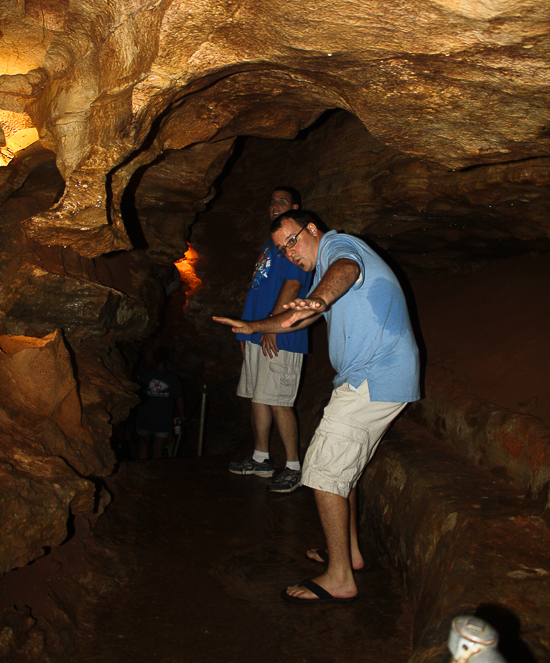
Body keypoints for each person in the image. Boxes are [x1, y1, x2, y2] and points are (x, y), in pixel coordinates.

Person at [213, 209, 420, 603]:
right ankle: (350, 553)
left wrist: (320, 297)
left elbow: (346, 268)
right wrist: (254, 327)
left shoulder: (339, 248)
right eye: (281, 250)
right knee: (345, 470)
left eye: (292, 241)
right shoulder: (325, 271)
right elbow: (296, 320)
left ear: (311, 229)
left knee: (324, 471)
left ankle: (340, 577)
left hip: (374, 377)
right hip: (373, 377)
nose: (289, 253)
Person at [229, 187, 313, 493]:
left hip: (282, 335)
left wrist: (270, 327)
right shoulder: (270, 244)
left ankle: (293, 466)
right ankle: (261, 457)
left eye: (281, 202)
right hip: (258, 333)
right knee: (258, 397)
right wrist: (246, 329)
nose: (274, 206)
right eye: (271, 202)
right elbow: (257, 288)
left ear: (295, 207)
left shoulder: (292, 243)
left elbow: (293, 284)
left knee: (279, 401)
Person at [136, 347, 186, 460]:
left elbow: (137, 397)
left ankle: (143, 471)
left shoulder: (145, 376)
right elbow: (180, 400)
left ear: (154, 360)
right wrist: (182, 417)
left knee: (143, 445)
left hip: (146, 417)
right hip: (163, 420)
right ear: (167, 361)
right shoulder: (173, 379)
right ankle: (154, 473)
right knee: (158, 451)